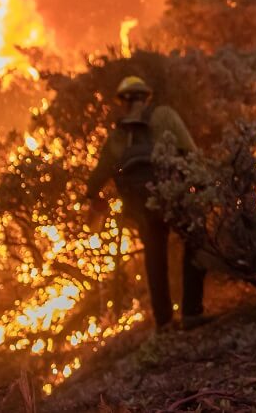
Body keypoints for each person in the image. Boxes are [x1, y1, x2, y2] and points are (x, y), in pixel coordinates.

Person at [86, 75, 210, 332]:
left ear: (123, 102)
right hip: (173, 196)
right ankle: (191, 313)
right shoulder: (165, 115)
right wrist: (202, 186)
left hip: (142, 207)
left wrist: (95, 198)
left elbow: (97, 178)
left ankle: (164, 322)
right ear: (146, 97)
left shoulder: (117, 137)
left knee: (154, 258)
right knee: (196, 240)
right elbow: (191, 153)